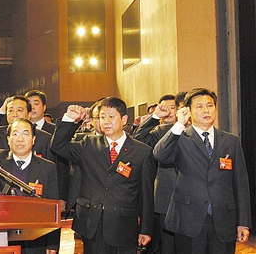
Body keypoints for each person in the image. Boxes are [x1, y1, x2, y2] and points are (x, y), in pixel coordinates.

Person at [50, 97, 155, 254]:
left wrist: (146, 228)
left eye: (111, 116)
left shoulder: (142, 151)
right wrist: (69, 119)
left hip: (124, 224)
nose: (106, 121)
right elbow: (58, 146)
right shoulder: (88, 143)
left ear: (124, 119)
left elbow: (146, 193)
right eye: (102, 117)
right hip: (92, 222)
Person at [153, 88, 251, 253]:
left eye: (210, 105)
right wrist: (179, 124)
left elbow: (240, 183)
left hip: (223, 220)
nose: (206, 110)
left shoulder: (231, 141)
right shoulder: (180, 138)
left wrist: (243, 221)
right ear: (188, 111)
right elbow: (160, 155)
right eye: (199, 107)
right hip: (188, 220)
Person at [0, 118, 59, 254]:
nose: (20, 139)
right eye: (15, 134)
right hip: (3, 237)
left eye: (25, 134)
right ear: (8, 139)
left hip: (36, 238)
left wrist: (53, 244)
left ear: (33, 139)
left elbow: (53, 207)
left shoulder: (47, 167)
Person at [133, 94, 180, 254]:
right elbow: (138, 139)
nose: (169, 111)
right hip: (163, 197)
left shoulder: (188, 131)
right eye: (164, 108)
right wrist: (154, 117)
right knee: (164, 245)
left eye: (173, 108)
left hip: (188, 197)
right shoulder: (155, 133)